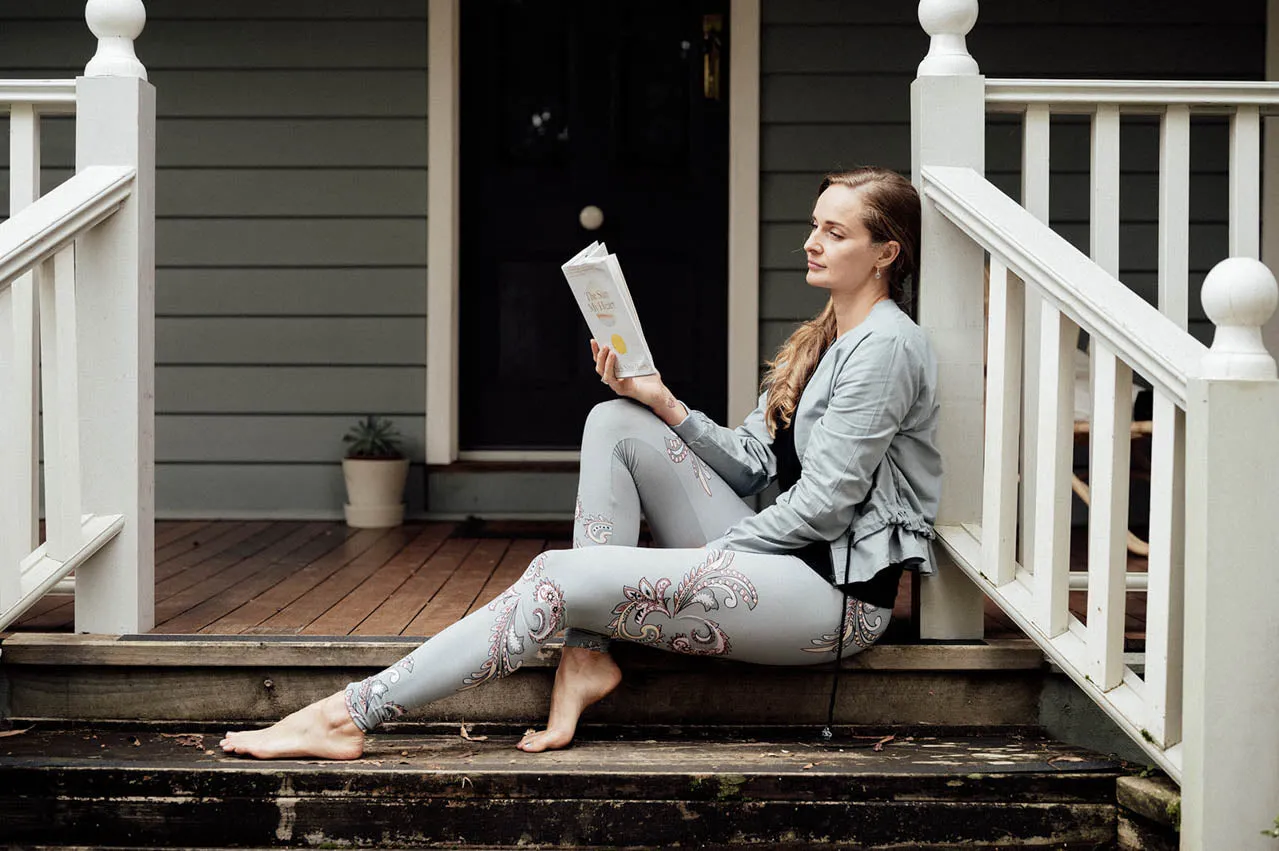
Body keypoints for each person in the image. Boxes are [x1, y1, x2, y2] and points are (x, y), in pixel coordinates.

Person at [219, 166, 941, 760]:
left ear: (886, 252)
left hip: (830, 598)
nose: (810, 242)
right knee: (615, 417)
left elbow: (823, 508)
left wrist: (710, 558)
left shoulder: (884, 347)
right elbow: (752, 463)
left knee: (561, 573)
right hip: (775, 561)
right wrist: (659, 399)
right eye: (814, 224)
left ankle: (349, 716)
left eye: (834, 231)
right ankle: (587, 653)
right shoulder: (822, 338)